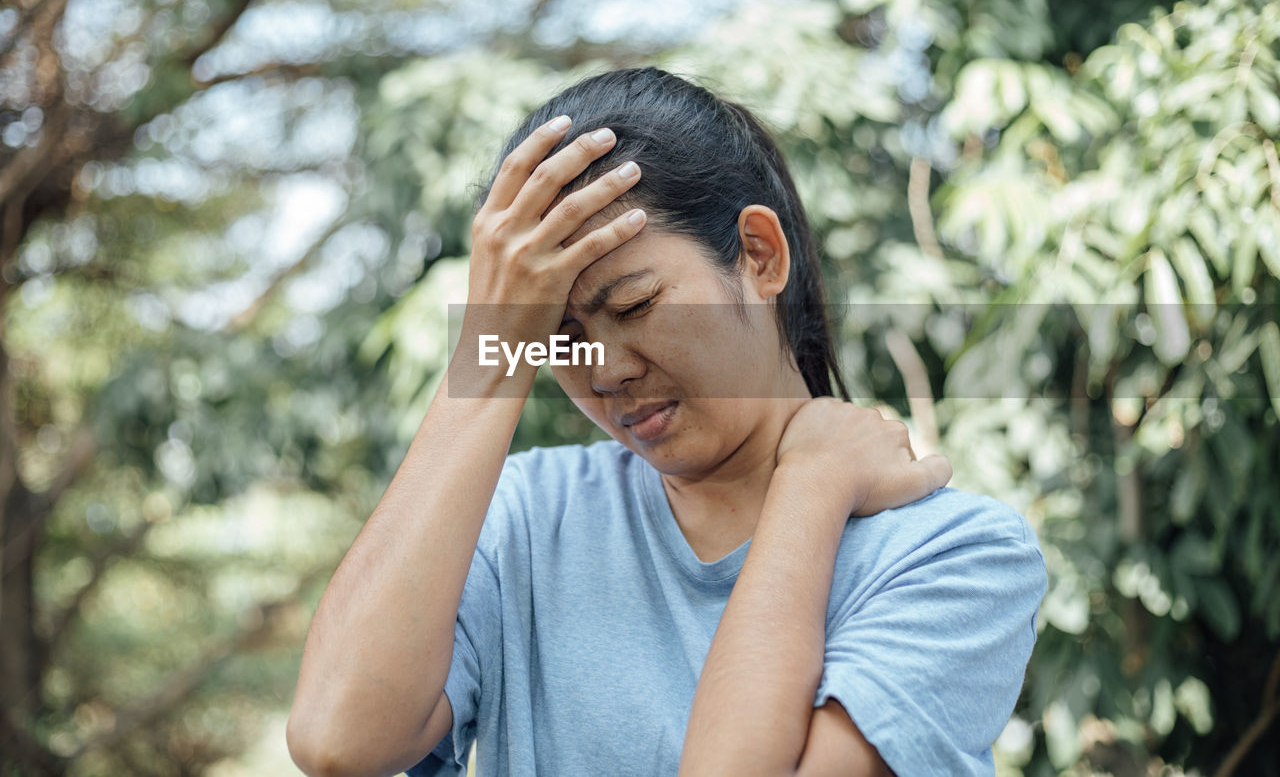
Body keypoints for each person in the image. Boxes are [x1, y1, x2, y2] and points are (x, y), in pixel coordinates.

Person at [286, 68, 1047, 777]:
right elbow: (337, 738)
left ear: (758, 254)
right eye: (559, 336)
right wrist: (491, 350)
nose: (606, 369)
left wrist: (811, 487)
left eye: (635, 306)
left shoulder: (955, 556)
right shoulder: (523, 520)